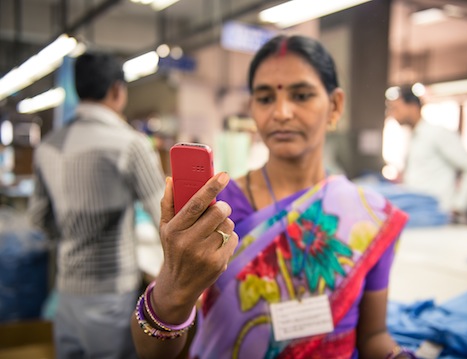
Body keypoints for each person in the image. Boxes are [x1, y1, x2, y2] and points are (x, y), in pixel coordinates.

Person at [131, 35, 414, 359]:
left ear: (335, 106)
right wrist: (172, 289)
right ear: (252, 109)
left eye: (302, 95)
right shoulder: (220, 210)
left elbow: (374, 336)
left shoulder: (369, 216)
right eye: (265, 98)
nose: (281, 112)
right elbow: (154, 352)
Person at [28, 52, 165, 358]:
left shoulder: (48, 146)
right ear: (118, 90)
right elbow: (165, 218)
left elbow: (38, 218)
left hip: (65, 292)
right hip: (112, 294)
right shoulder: (130, 144)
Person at [386, 87, 467, 222]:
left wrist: (458, 207)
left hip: (440, 215)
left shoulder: (436, 133)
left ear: (413, 106)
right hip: (420, 216)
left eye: (396, 108)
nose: (392, 114)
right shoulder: (414, 137)